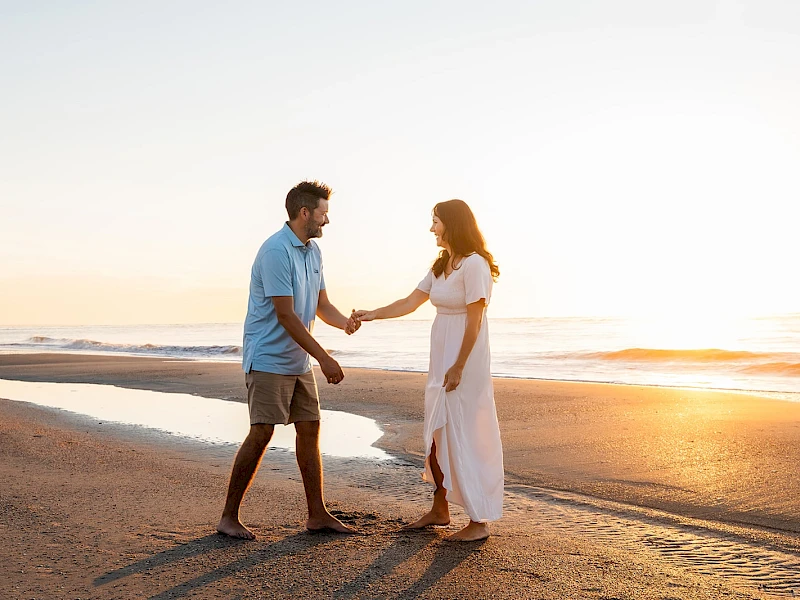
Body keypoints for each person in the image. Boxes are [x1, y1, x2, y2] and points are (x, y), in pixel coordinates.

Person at [217, 180, 361, 540]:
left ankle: (317, 515)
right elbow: (286, 315)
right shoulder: (275, 251)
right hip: (268, 357)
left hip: (298, 361)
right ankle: (228, 517)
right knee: (262, 432)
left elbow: (321, 305)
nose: (327, 221)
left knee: (310, 429)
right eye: (323, 214)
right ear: (305, 213)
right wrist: (325, 358)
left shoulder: (314, 252)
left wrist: (344, 323)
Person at [355, 199, 503, 542]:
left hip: (465, 361)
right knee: (437, 432)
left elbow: (475, 320)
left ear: (452, 223)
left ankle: (479, 520)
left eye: (436, 221)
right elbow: (410, 302)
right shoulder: (441, 265)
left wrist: (459, 366)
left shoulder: (475, 264)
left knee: (464, 432)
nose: (431, 228)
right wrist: (372, 314)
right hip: (440, 360)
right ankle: (440, 508)